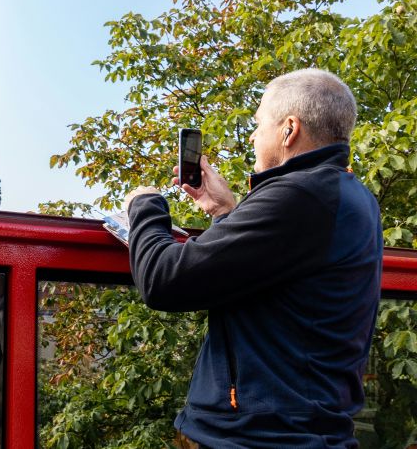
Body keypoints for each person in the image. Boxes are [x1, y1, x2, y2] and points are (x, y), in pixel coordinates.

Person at [123, 69, 381, 448]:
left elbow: (164, 281)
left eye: (259, 123)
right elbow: (272, 277)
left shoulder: (301, 196)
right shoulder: (347, 194)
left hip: (257, 438)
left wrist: (144, 206)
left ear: (289, 130)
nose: (253, 135)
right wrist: (225, 212)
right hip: (297, 433)